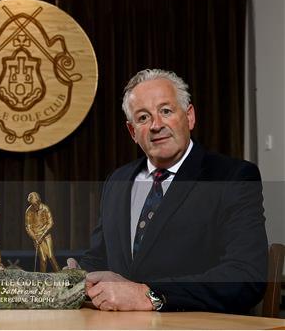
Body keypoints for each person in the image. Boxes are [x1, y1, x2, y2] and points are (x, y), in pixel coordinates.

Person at [67, 69, 268, 314]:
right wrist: (77, 275)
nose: (156, 125)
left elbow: (245, 277)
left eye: (166, 111)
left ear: (190, 117)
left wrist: (148, 295)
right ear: (132, 132)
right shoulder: (117, 181)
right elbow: (100, 257)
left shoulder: (233, 177)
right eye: (143, 117)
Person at [25, 192, 60, 272]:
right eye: (33, 204)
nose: (35, 206)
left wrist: (43, 235)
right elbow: (28, 227)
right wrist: (35, 238)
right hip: (36, 237)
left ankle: (60, 275)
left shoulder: (45, 208)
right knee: (43, 259)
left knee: (51, 256)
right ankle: (42, 278)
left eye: (36, 204)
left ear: (39, 201)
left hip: (46, 235)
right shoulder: (28, 211)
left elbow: (51, 223)